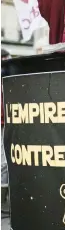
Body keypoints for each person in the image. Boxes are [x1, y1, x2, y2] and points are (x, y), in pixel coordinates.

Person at [1, 49, 11, 217]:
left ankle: (4, 201)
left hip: (7, 123)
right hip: (2, 122)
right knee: (3, 163)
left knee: (7, 162)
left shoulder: (6, 79)